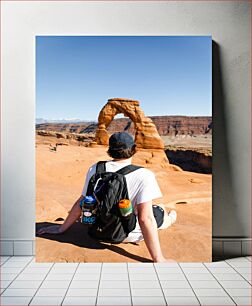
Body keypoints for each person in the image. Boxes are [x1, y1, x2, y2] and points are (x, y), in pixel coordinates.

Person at [38, 132, 177, 262]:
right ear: (133, 149)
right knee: (158, 211)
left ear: (110, 150)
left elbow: (83, 201)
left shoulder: (96, 169)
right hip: (127, 234)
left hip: (95, 230)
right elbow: (145, 218)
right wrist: (159, 259)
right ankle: (169, 219)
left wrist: (61, 229)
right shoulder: (144, 175)